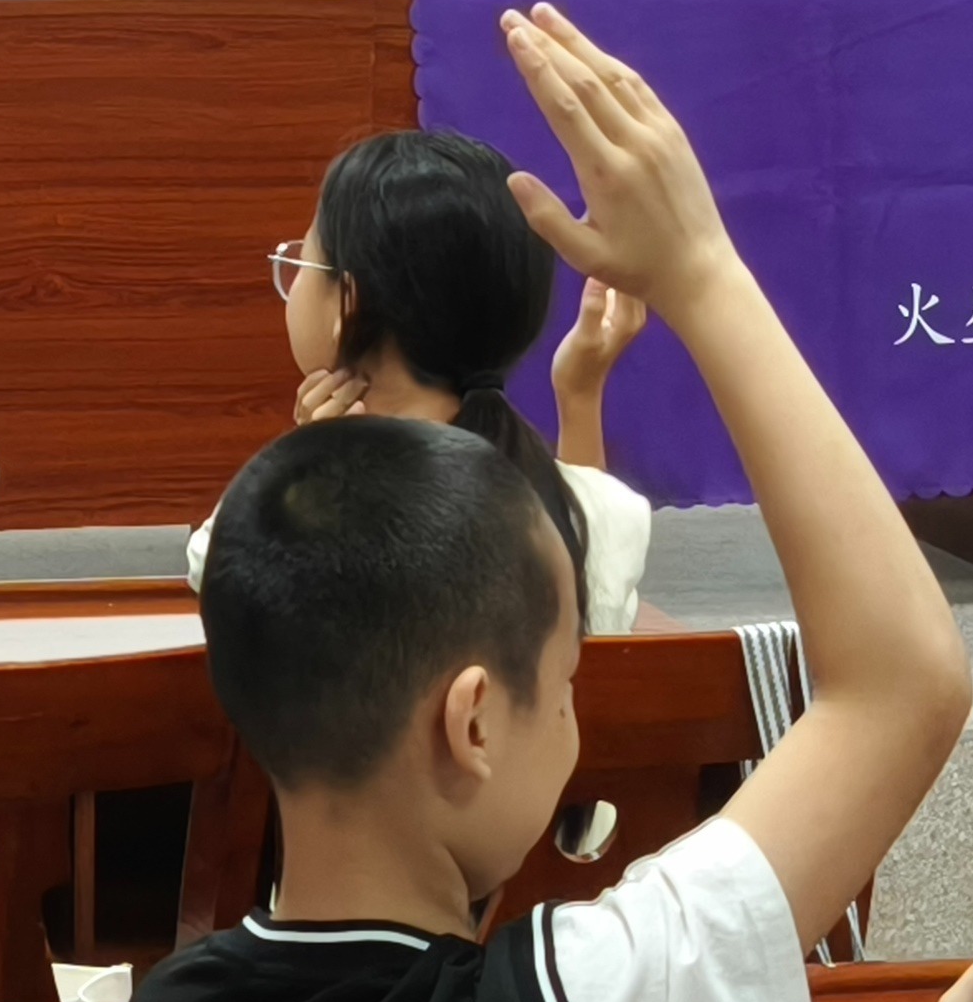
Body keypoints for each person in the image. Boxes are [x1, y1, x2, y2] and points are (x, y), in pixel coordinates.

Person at [109, 5, 973, 1002]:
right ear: (473, 722)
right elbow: (905, 684)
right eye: (561, 686)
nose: (570, 727)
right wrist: (704, 273)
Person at [187, 130, 655, 635]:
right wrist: (580, 395)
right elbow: (585, 531)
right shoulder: (612, 517)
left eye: (303, 262)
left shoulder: (266, 531)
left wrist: (302, 468)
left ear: (347, 303)